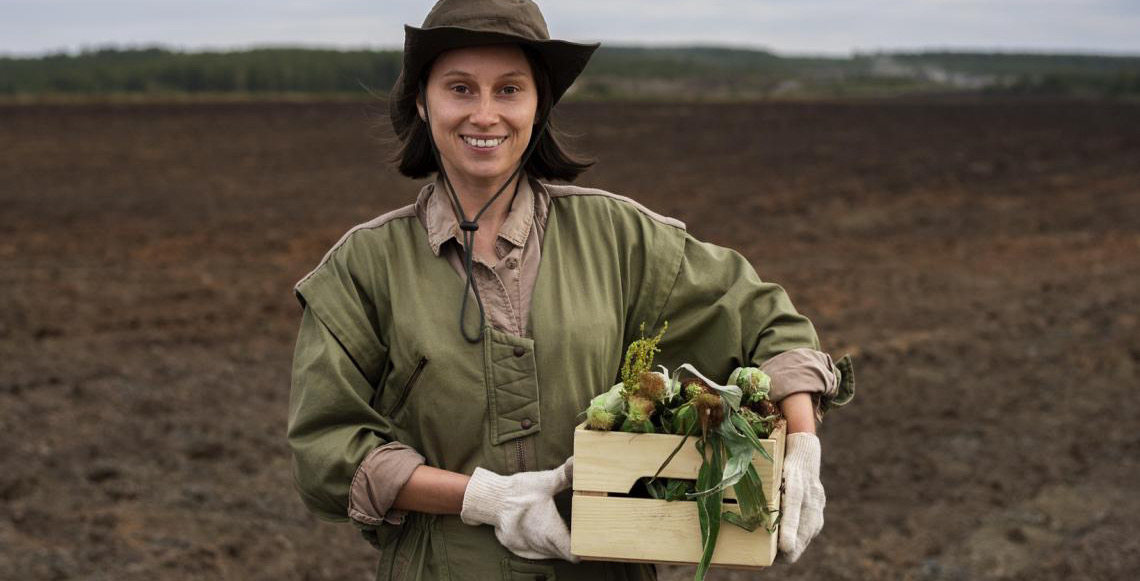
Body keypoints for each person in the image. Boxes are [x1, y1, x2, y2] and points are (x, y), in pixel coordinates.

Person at [286, 1, 854, 580]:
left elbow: (765, 322)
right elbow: (326, 450)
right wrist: (484, 497)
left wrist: (801, 447)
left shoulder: (619, 238)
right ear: (421, 103)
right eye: (461, 88)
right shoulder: (363, 268)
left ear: (539, 105)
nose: (485, 114)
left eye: (509, 90)